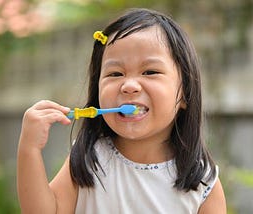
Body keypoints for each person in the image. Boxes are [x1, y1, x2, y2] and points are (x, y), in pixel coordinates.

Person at [17, 8, 226, 213]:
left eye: (150, 71)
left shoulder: (204, 183)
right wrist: (29, 150)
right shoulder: (90, 158)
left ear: (185, 95)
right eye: (115, 74)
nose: (129, 85)